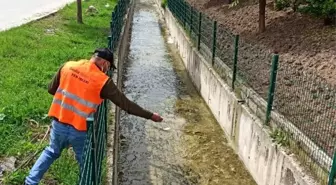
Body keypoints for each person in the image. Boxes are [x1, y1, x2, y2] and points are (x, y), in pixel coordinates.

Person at [24, 48, 163, 185]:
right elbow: (126, 104)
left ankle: (30, 182)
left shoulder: (68, 66)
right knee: (86, 166)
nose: (108, 70)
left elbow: (51, 89)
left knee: (51, 152)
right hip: (80, 129)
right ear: (104, 63)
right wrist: (150, 116)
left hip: (59, 123)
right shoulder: (103, 81)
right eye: (109, 67)